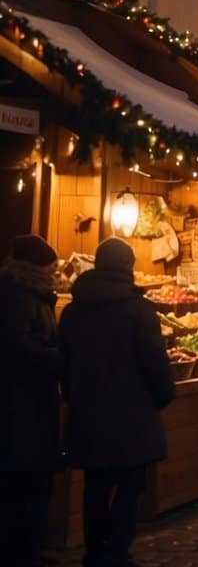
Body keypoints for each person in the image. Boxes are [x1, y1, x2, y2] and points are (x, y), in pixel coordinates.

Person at [60, 238, 175, 567]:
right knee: (129, 488)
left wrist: (74, 398)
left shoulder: (73, 311)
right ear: (127, 267)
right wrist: (163, 395)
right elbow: (155, 361)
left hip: (89, 415)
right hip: (133, 417)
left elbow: (64, 363)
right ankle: (117, 554)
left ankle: (95, 553)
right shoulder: (138, 310)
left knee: (94, 488)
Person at [0, 235, 61, 567]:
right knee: (23, 479)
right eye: (51, 266)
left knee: (31, 478)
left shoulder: (32, 294)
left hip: (31, 401)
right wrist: (58, 358)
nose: (55, 271)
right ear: (36, 268)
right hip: (21, 403)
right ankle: (20, 551)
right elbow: (19, 347)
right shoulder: (19, 298)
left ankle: (27, 548)